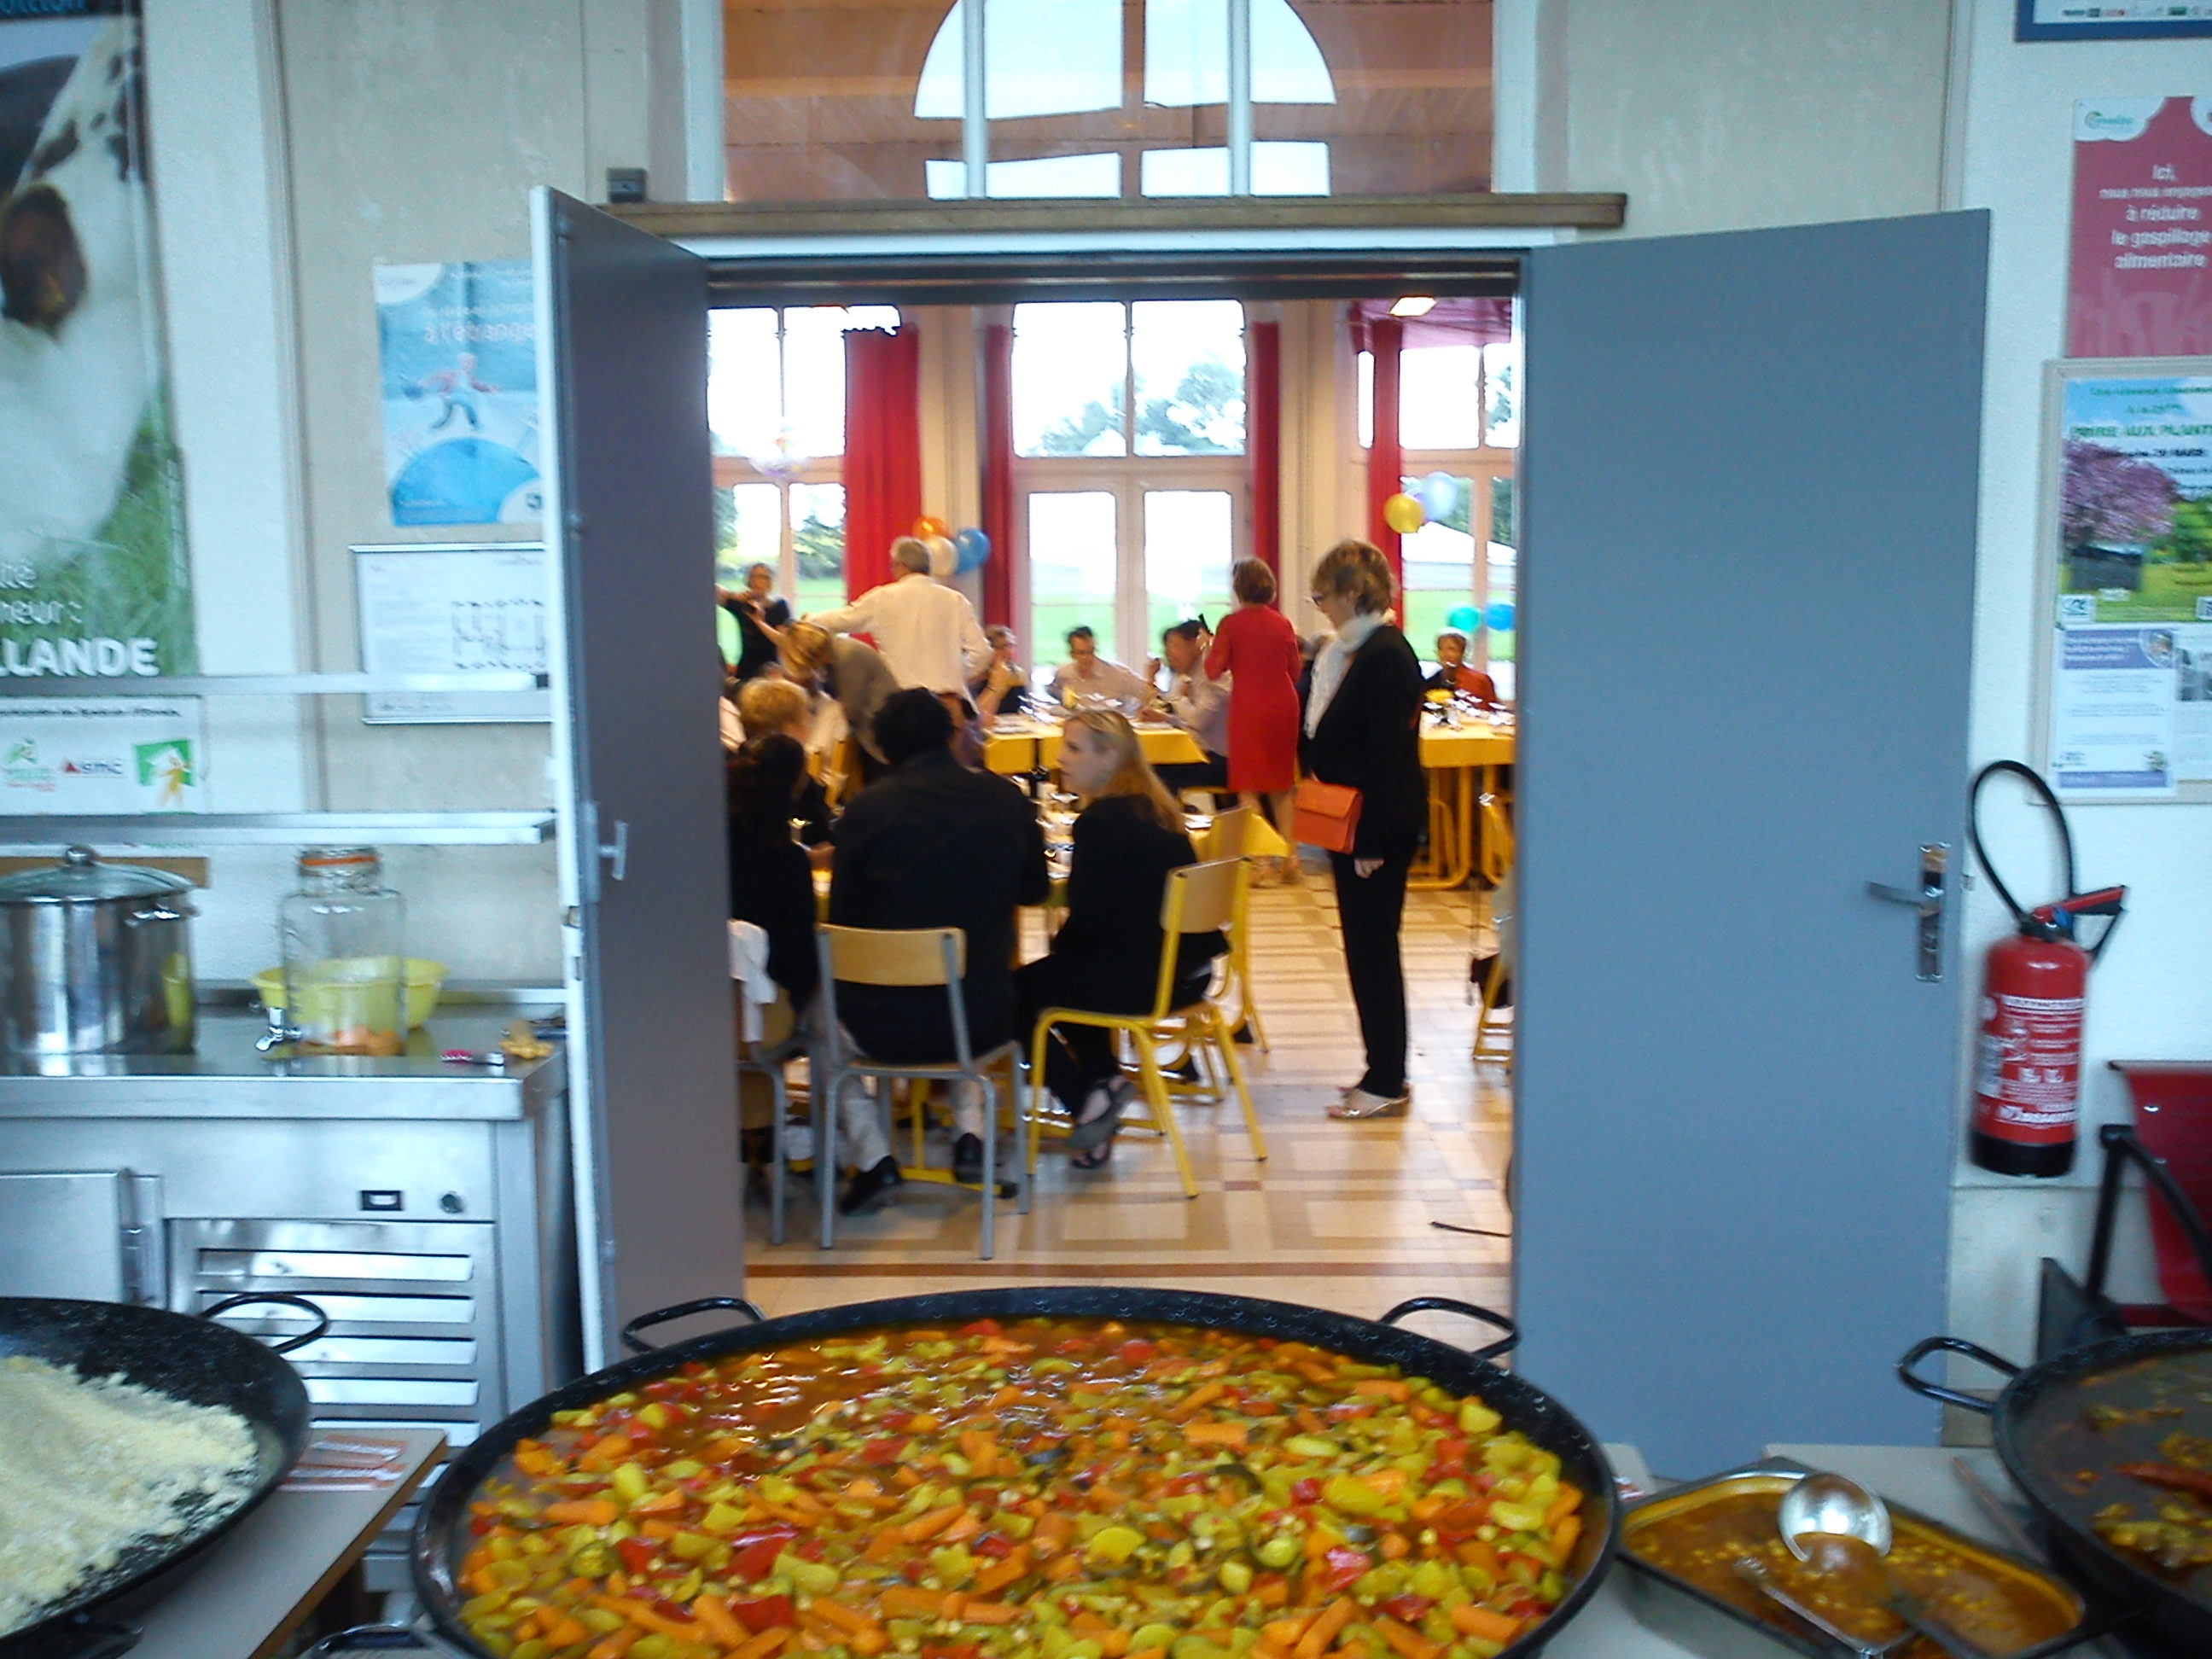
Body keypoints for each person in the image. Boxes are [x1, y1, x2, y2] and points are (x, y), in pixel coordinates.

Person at [828, 690, 1050, 1203]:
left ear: (884, 747)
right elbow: (1035, 891)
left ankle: (874, 1157)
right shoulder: (1005, 799)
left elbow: (844, 919)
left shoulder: (867, 809)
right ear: (951, 735)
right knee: (966, 982)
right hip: (983, 1015)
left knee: (817, 1021)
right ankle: (969, 1135)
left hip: (882, 1021)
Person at [1016, 711, 1225, 1169]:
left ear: (1109, 756)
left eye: (1073, 748)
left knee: (1011, 995)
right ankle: (1103, 1089)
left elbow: (1088, 918)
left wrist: (1060, 951)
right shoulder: (1157, 807)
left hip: (1143, 981)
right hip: (1188, 973)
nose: (1060, 758)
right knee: (1065, 975)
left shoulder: (1101, 821)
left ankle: (1084, 1101)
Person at [726, 735, 897, 1203]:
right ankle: (869, 1154)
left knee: (813, 1014)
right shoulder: (784, 861)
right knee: (826, 1017)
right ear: (796, 785)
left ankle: (859, 1155)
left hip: (700, 1017)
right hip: (761, 1021)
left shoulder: (701, 856)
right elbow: (797, 964)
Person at [1303, 539, 1427, 1120]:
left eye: (1323, 596)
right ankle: (1381, 1068)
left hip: (1374, 827)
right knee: (1364, 949)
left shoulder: (1384, 655)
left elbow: (1389, 757)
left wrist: (1372, 840)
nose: (1320, 606)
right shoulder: (1351, 651)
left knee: (1373, 952)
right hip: (1353, 821)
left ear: (1353, 593)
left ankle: (1385, 1078)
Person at [1206, 559, 1305, 876]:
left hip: (1249, 705)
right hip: (1283, 704)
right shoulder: (1283, 623)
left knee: (1248, 785)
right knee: (1282, 785)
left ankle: (1261, 861)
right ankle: (1290, 855)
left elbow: (1212, 670)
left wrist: (1209, 645)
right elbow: (1295, 670)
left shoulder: (1230, 624)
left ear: (1238, 588)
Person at [806, 537, 989, 698]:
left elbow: (842, 619)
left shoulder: (882, 598)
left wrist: (810, 619)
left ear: (901, 565)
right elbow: (982, 653)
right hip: (951, 702)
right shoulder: (956, 600)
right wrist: (957, 673)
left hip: (901, 702)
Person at [780, 621, 897, 783]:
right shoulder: (835, 655)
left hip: (885, 732)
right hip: (876, 730)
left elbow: (852, 710)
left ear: (810, 655)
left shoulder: (847, 657)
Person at [738, 677, 831, 848]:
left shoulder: (737, 767)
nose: (810, 721)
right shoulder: (792, 774)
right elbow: (819, 832)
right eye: (805, 716)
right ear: (789, 728)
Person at [1150, 620, 1231, 797]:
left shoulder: (1213, 675)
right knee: (1149, 765)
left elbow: (1197, 721)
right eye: (1167, 647)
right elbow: (1187, 718)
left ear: (1196, 645)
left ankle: (1168, 814)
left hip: (1222, 759)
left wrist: (1180, 699)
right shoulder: (1188, 675)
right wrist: (1166, 718)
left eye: (1175, 646)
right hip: (1202, 752)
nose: (1169, 653)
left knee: (1153, 771)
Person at [1047, 626, 1152, 712]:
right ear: (1072, 654)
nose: (1088, 658)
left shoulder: (1118, 673)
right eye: (1082, 653)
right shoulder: (1063, 674)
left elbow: (1150, 694)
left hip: (1112, 727)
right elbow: (1054, 695)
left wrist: (1140, 712)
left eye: (1091, 651)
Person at [720, 562, 791, 684]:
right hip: (747, 667)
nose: (756, 581)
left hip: (772, 669)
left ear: (769, 582)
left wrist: (758, 621)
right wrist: (735, 596)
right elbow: (711, 589)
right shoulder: (742, 604)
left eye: (762, 577)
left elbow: (781, 640)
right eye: (752, 576)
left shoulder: (779, 605)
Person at [970, 625, 1031, 720]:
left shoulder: (1017, 676)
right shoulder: (975, 678)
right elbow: (976, 718)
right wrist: (996, 684)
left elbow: (1024, 708)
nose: (1008, 652)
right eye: (1002, 647)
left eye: (1010, 646)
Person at [1426, 631, 1501, 707]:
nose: (1446, 654)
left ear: (1463, 652)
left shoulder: (1480, 680)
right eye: (1441, 649)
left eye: (1452, 649)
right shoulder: (1431, 682)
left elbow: (1492, 708)